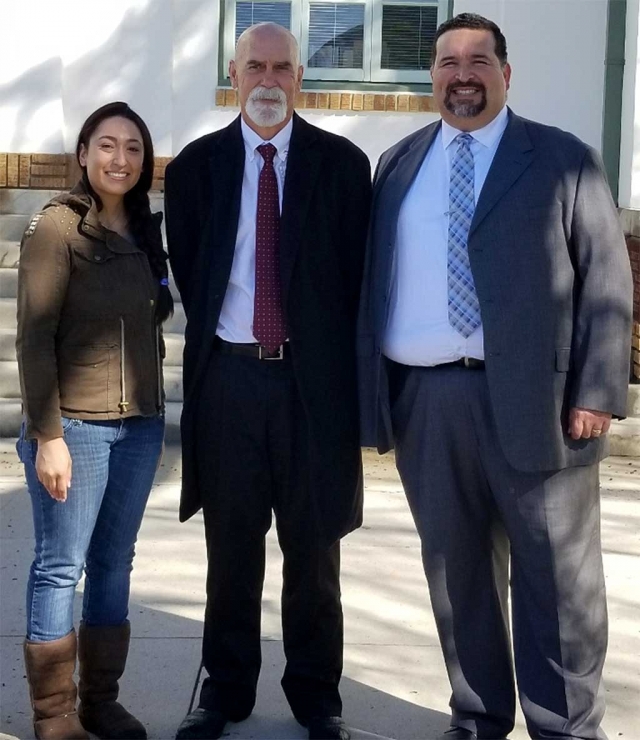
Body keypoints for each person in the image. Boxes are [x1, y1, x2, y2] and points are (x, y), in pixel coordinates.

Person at [358, 13, 632, 740]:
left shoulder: (562, 158)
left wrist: (598, 393)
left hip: (542, 406)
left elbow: (607, 273)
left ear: (508, 74)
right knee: (458, 579)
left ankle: (566, 726)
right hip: (426, 402)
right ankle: (477, 715)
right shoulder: (399, 164)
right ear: (433, 77)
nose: (463, 73)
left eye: (481, 59)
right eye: (448, 61)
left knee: (559, 583)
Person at [164, 21, 371, 740]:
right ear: (234, 74)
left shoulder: (343, 166)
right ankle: (223, 695)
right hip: (231, 384)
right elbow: (193, 269)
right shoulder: (196, 168)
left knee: (314, 554)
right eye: (255, 66)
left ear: (300, 79)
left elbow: (355, 280)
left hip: (314, 391)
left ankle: (318, 700)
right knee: (232, 550)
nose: (269, 80)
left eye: (283, 68)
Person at [16, 101, 172, 740]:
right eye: (106, 145)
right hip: (74, 426)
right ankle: (54, 715)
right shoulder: (57, 226)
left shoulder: (144, 227)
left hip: (140, 422)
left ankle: (100, 702)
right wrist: (47, 434)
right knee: (61, 564)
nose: (120, 159)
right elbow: (34, 335)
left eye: (133, 147)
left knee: (115, 564)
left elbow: (154, 309)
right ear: (83, 154)